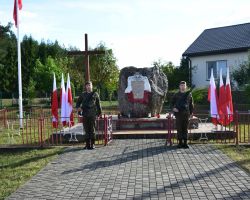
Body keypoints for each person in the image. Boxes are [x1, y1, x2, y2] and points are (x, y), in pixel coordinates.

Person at [76, 81, 102, 150]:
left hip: (93, 114)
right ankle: (87, 144)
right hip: (85, 114)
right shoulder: (83, 94)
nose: (88, 87)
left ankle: (93, 144)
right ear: (85, 87)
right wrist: (78, 107)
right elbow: (78, 102)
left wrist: (99, 113)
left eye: (89, 85)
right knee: (86, 130)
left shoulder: (95, 94)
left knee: (92, 130)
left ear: (92, 86)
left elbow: (98, 105)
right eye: (87, 85)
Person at [171, 81, 194, 148]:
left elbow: (191, 104)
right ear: (179, 86)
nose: (183, 87)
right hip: (178, 114)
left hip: (186, 114)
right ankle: (180, 143)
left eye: (184, 85)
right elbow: (171, 103)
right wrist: (173, 108)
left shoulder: (189, 94)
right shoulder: (176, 95)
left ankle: (185, 142)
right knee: (179, 128)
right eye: (181, 85)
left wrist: (191, 112)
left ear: (186, 86)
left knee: (185, 128)